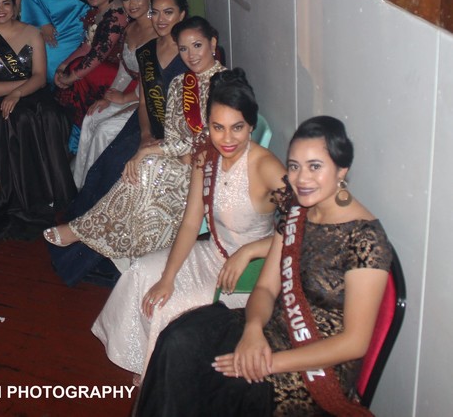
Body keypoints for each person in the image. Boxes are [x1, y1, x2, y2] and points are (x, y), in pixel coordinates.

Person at [138, 116, 393, 416]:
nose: (301, 178)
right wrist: (253, 330)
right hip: (271, 331)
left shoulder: (366, 239)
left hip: (317, 367)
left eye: (315, 166)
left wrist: (269, 362)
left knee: (218, 385)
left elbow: (354, 343)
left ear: (342, 170)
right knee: (179, 340)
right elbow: (267, 286)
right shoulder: (297, 211)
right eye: (294, 166)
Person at [93, 69, 284, 380]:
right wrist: (168, 276)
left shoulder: (266, 167)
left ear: (251, 125)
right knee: (141, 272)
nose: (227, 139)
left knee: (172, 308)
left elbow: (301, 227)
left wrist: (251, 250)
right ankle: (148, 363)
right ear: (207, 126)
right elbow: (191, 221)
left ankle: (160, 379)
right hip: (214, 252)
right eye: (218, 127)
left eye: (237, 128)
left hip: (250, 273)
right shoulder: (205, 155)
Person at [45, 16, 225, 262]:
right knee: (140, 166)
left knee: (147, 165)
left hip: (206, 163)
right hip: (179, 156)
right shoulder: (180, 82)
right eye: (183, 48)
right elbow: (171, 131)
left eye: (197, 46)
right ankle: (131, 245)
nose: (190, 55)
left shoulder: (223, 84)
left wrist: (152, 152)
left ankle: (88, 232)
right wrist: (159, 150)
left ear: (212, 43)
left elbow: (208, 136)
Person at [48, 0, 190, 286]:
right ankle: (85, 233)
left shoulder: (191, 50)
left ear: (182, 14)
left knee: (123, 173)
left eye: (169, 12)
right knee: (109, 163)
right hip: (146, 125)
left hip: (177, 134)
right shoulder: (149, 51)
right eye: (157, 12)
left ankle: (106, 249)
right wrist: (146, 135)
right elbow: (143, 100)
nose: (161, 19)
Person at [0, 0, 76, 250]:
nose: (1, 9)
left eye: (6, 3)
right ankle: (30, 196)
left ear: (15, 7)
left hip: (30, 93)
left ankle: (56, 190)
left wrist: (18, 93)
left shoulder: (32, 32)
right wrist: (16, 92)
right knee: (21, 120)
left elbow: (39, 77)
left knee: (51, 114)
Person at [71, 0, 159, 188]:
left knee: (104, 129)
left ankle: (98, 189)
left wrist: (125, 97)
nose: (132, 4)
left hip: (150, 102)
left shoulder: (159, 33)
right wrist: (109, 97)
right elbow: (124, 69)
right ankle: (80, 185)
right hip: (132, 95)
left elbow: (155, 81)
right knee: (92, 116)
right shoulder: (130, 28)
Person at [54, 0, 129, 148]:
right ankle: (73, 138)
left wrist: (71, 76)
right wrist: (62, 66)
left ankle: (76, 141)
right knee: (74, 69)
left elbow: (99, 53)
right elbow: (86, 47)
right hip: (103, 69)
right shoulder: (97, 13)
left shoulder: (116, 13)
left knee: (78, 72)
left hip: (123, 76)